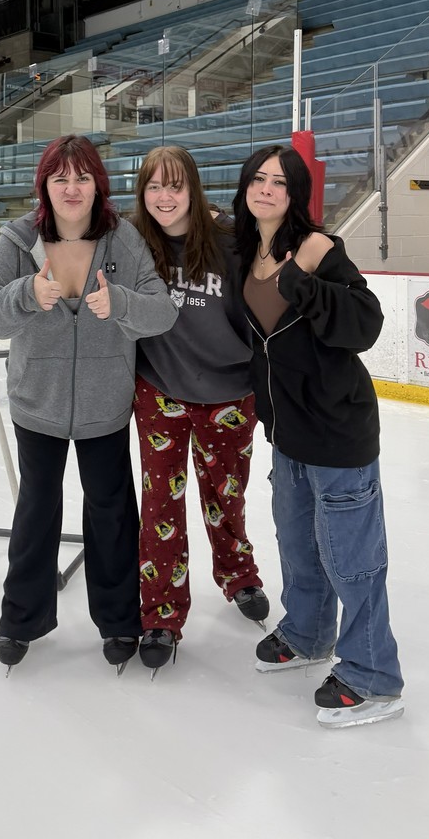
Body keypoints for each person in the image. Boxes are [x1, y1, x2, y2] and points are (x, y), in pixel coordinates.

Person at [0, 134, 178, 675]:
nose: (71, 187)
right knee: (37, 508)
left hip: (105, 405)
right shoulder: (17, 242)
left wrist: (121, 303)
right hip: (37, 402)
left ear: (97, 185)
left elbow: (162, 311)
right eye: (60, 177)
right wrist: (24, 296)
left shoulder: (123, 241)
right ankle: (21, 617)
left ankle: (117, 619)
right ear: (45, 185)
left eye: (82, 177)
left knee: (110, 509)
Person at [233, 144, 404, 729]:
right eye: (257, 179)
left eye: (279, 182)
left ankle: (374, 675)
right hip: (286, 432)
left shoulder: (320, 249)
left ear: (296, 192)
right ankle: (307, 633)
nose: (266, 189)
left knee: (352, 560)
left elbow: (366, 324)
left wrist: (301, 276)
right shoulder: (243, 251)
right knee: (299, 546)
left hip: (337, 431)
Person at [132, 146, 267, 675]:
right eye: (154, 187)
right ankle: (162, 613)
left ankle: (238, 573)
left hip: (229, 395)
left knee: (224, 496)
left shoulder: (232, 241)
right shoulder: (135, 243)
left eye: (175, 186)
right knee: (160, 505)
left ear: (193, 189)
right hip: (159, 391)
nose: (165, 198)